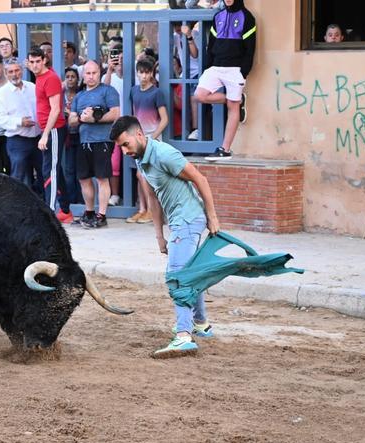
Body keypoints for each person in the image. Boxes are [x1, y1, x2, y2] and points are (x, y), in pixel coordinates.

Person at [110, 115, 220, 358]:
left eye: (126, 144)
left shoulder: (164, 154)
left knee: (177, 276)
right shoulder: (141, 160)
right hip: (179, 223)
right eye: (120, 147)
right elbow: (153, 198)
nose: (125, 151)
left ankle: (183, 335)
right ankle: (200, 324)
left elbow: (200, 179)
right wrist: (159, 235)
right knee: (189, 272)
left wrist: (212, 217)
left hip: (189, 220)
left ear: (139, 134)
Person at [194, 0, 256, 161]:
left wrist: (244, 72)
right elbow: (211, 45)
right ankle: (236, 100)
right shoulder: (218, 16)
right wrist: (207, 67)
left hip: (235, 69)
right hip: (215, 67)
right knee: (199, 95)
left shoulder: (247, 17)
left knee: (232, 108)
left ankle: (225, 149)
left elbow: (250, 48)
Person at [69, 60, 120, 229]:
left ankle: (102, 215)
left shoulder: (108, 91)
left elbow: (115, 114)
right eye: (88, 73)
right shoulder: (79, 96)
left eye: (94, 73)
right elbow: (71, 120)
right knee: (84, 179)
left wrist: (95, 118)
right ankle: (89, 212)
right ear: (83, 75)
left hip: (103, 141)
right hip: (84, 142)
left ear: (100, 73)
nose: (91, 76)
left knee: (102, 178)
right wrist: (81, 118)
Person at [28, 48, 72, 222]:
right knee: (55, 170)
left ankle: (50, 213)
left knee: (49, 171)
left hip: (53, 130)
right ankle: (66, 210)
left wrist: (45, 134)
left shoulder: (50, 78)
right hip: (49, 129)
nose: (35, 65)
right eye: (31, 62)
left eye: (38, 61)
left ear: (44, 60)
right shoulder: (41, 76)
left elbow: (56, 110)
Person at [127, 57, 167, 224]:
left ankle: (151, 210)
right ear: (137, 73)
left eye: (146, 73)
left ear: (152, 74)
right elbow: (132, 115)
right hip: (138, 138)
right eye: (140, 72)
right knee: (139, 175)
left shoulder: (157, 93)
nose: (143, 76)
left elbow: (164, 119)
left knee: (144, 174)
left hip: (151, 138)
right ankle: (142, 209)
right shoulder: (133, 91)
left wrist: (153, 137)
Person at [0, 57, 40, 189]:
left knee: (43, 173)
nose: (14, 74)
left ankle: (43, 204)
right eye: (11, 71)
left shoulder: (32, 87)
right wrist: (20, 122)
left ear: (22, 71)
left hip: (38, 139)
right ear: (6, 74)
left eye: (17, 70)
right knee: (18, 177)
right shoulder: (2, 93)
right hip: (17, 141)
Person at [102, 43, 124, 206]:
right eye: (116, 57)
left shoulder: (136, 74)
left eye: (122, 57)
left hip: (130, 125)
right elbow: (105, 91)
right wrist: (110, 70)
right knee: (113, 163)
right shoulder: (106, 77)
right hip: (113, 126)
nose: (119, 60)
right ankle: (115, 195)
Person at [62, 67, 81, 205]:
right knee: (69, 170)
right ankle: (71, 201)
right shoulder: (60, 95)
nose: (70, 79)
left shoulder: (81, 95)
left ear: (77, 80)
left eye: (73, 76)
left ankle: (81, 202)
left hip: (80, 135)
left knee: (81, 171)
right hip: (66, 137)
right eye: (67, 76)